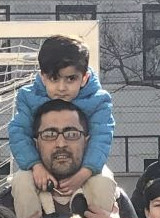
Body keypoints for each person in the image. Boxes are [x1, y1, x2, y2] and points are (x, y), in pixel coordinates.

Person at [0, 100, 138, 218]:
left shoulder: (114, 198)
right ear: (35, 143)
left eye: (72, 134)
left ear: (87, 141)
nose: (61, 143)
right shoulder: (10, 202)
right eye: (50, 134)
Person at [8, 34, 114, 198]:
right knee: (21, 182)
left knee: (103, 184)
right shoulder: (29, 98)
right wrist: (35, 165)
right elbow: (19, 133)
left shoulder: (98, 101)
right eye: (54, 79)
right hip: (42, 165)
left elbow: (102, 138)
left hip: (87, 167)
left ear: (84, 77)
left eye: (71, 79)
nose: (62, 87)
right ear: (43, 77)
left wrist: (85, 172)